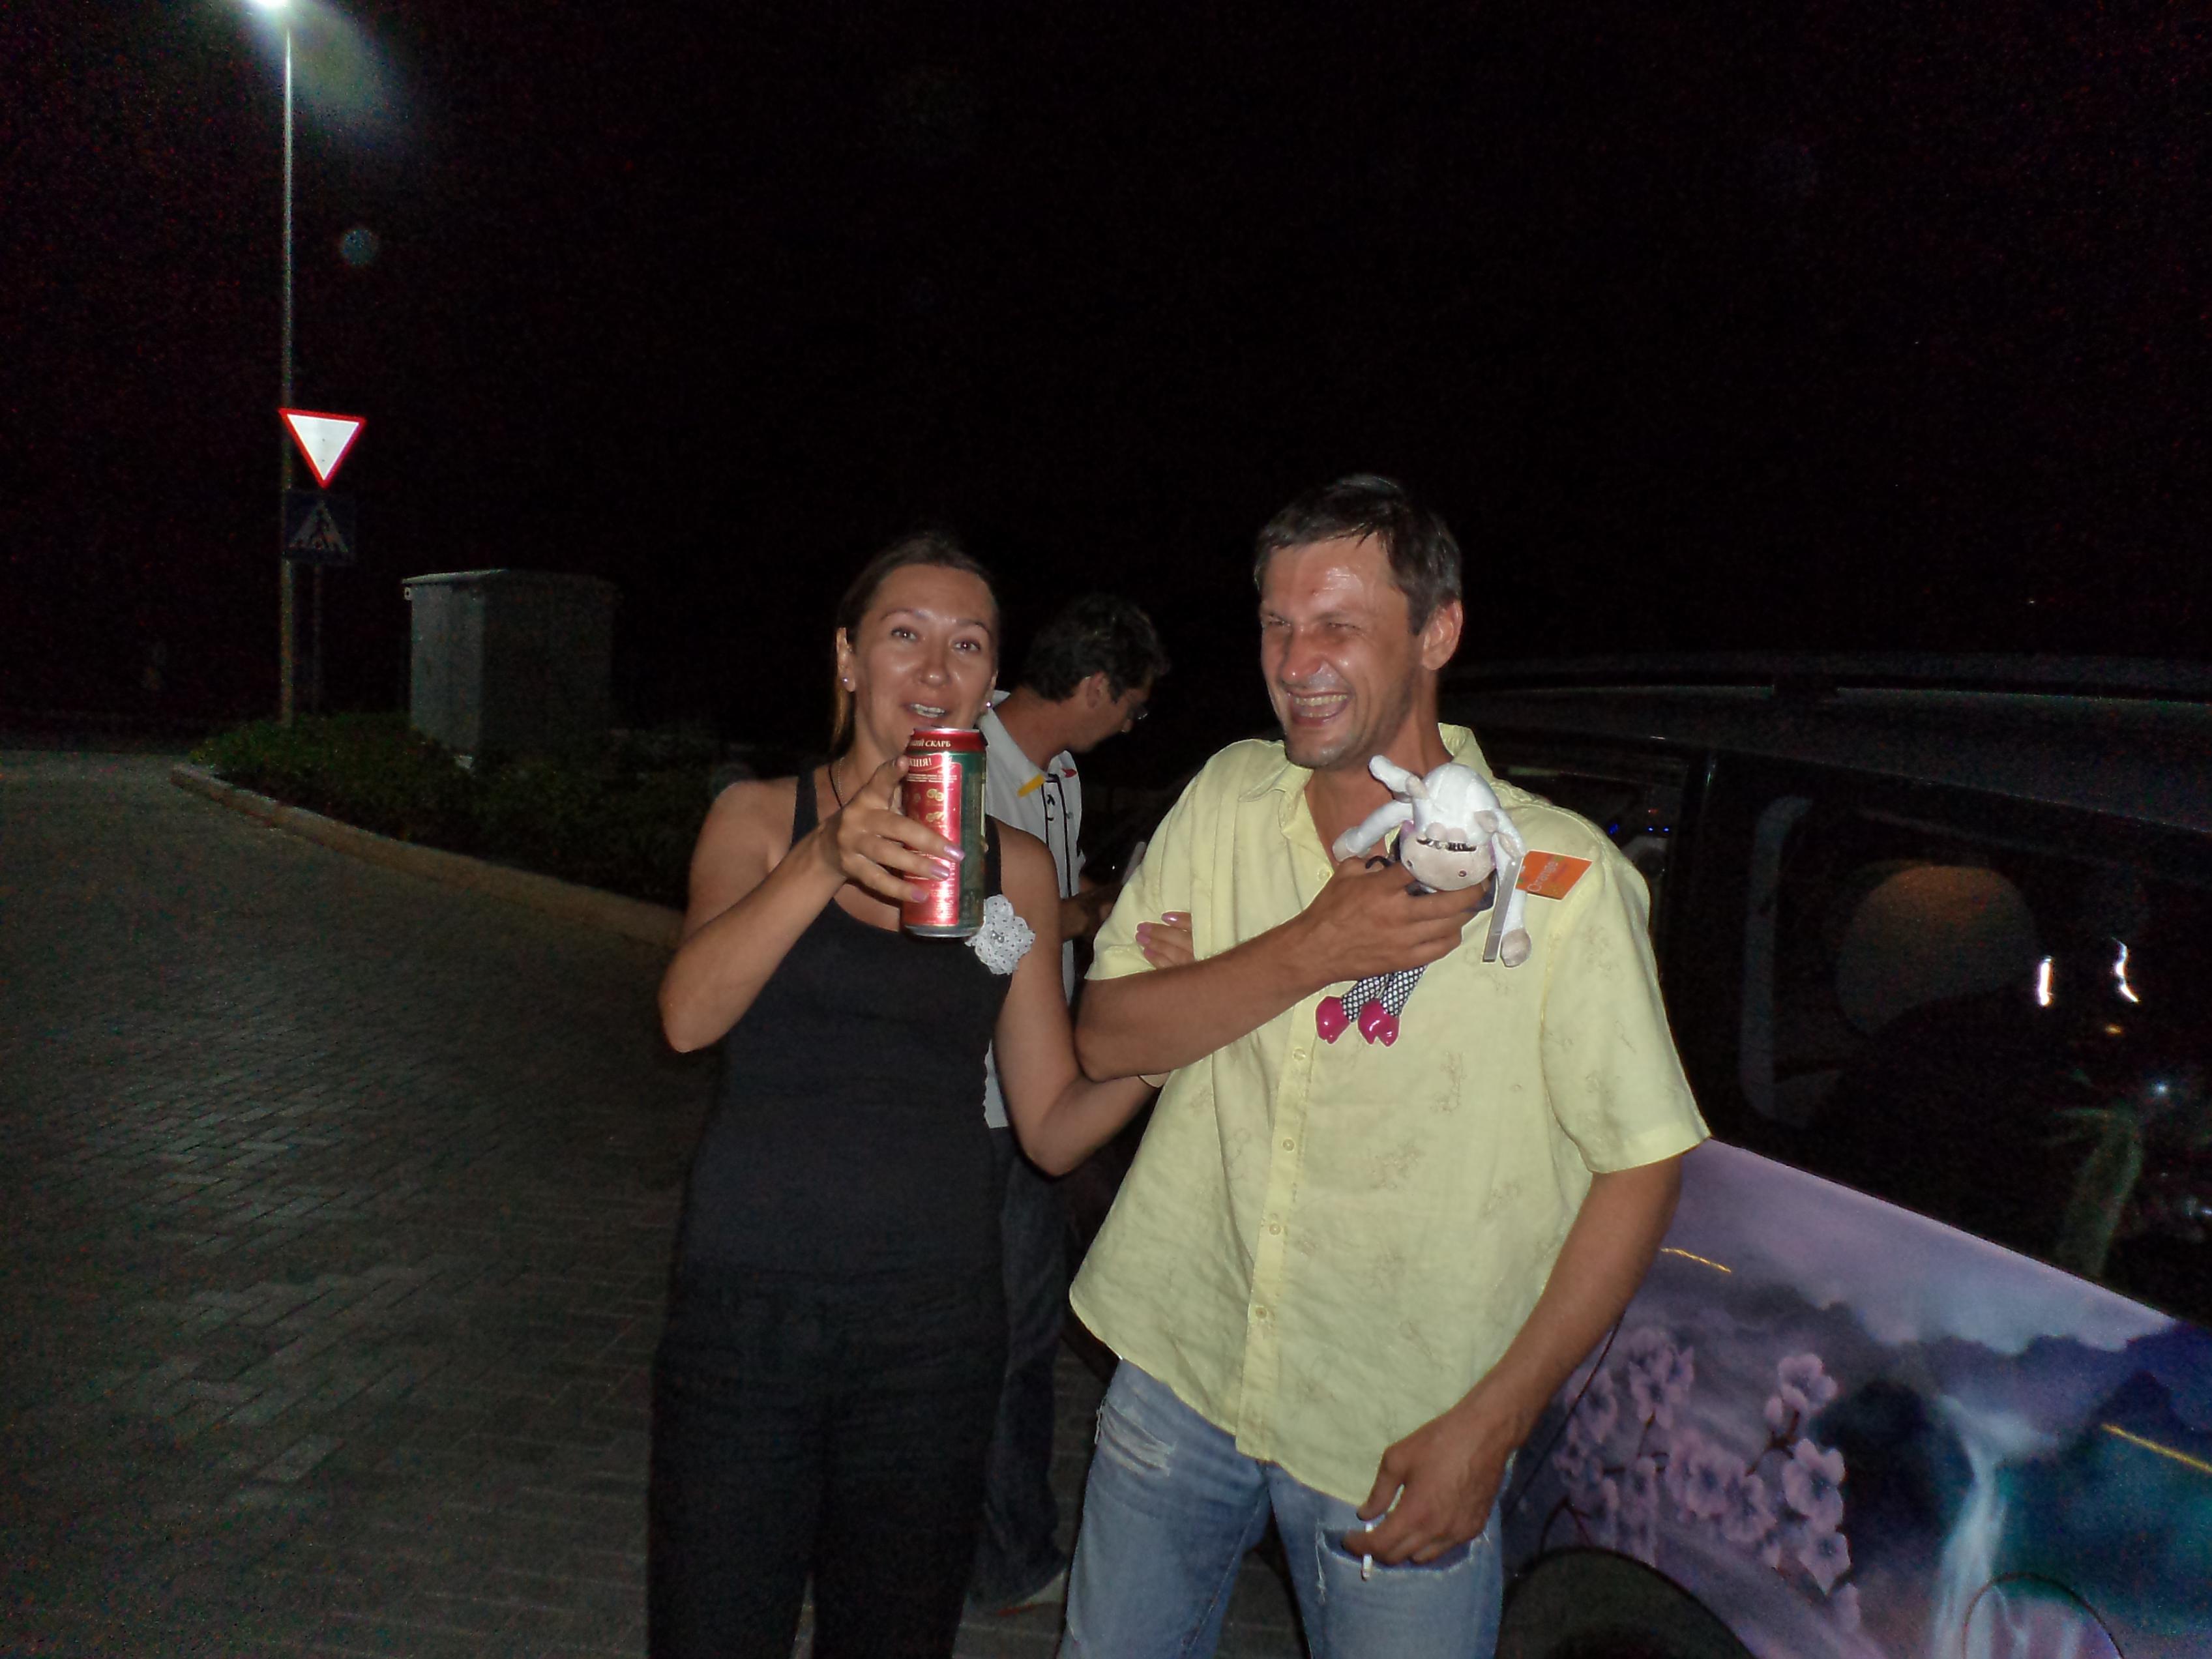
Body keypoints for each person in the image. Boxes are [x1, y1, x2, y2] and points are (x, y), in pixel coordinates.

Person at [1062, 476, 1710, 1659]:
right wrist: (1313, 947)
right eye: (1275, 623)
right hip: (1180, 1360)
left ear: (1437, 631)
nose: (1293, 661)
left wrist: (1495, 1422)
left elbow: (1641, 1165)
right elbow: (1106, 1037)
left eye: (1337, 625)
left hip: (1401, 1426)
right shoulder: (1226, 796)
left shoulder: (1559, 882)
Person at [649, 533, 1158, 1659]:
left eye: (966, 645)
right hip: (746, 1312)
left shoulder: (1013, 868)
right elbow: (687, 1015)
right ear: (846, 659)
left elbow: (1049, 1125)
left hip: (932, 1331)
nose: (935, 669)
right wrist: (824, 858)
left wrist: (1164, 1043)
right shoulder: (757, 820)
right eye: (903, 635)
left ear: (992, 679)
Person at [971, 593, 1170, 1615]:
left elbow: (1043, 912)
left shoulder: (1060, 778)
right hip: (981, 1098)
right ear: (1093, 687)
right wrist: (1062, 923)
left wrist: (1092, 910)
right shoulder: (960, 765)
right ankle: (1002, 1557)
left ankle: (993, 1543)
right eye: (1131, 706)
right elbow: (975, 934)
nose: (1129, 724)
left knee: (1024, 1326)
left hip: (1040, 1086)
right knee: (1007, 1341)